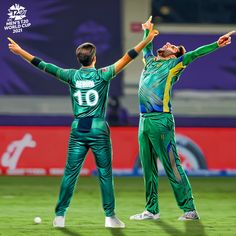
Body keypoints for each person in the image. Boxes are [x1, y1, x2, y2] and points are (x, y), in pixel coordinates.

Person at [7, 22, 158, 228]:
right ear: (95, 58)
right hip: (98, 127)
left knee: (70, 173)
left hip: (78, 128)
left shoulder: (71, 75)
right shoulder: (103, 74)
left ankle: (60, 216)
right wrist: (147, 39)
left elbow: (41, 64)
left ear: (79, 59)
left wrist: (20, 51)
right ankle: (110, 217)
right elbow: (128, 57)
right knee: (105, 173)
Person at [130, 17, 235, 221]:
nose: (168, 44)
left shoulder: (175, 65)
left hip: (161, 121)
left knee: (172, 165)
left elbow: (195, 54)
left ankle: (189, 209)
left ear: (175, 56)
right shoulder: (150, 61)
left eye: (173, 46)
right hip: (143, 120)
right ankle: (151, 210)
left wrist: (217, 44)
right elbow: (146, 48)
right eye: (168, 44)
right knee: (148, 167)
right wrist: (147, 31)